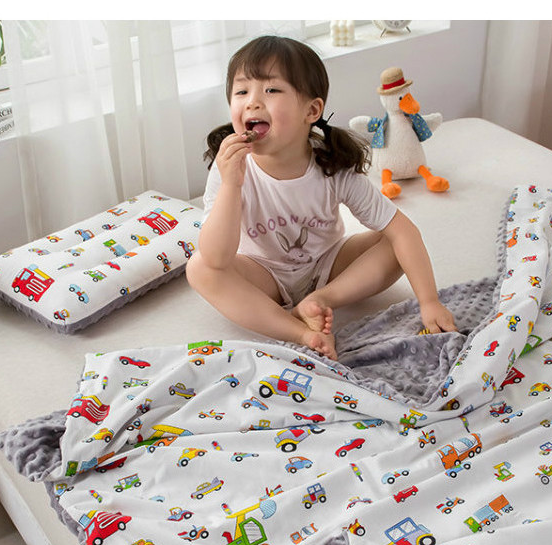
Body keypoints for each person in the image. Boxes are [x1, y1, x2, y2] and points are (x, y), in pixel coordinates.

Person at [187, 35, 456, 360]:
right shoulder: (229, 167)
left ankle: (320, 301)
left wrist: (429, 302)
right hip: (262, 273)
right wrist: (232, 185)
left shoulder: (332, 166)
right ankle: (299, 331)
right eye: (242, 91)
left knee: (394, 242)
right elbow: (216, 258)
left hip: (328, 265)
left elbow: (404, 231)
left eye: (271, 90)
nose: (252, 102)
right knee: (200, 268)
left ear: (311, 110)